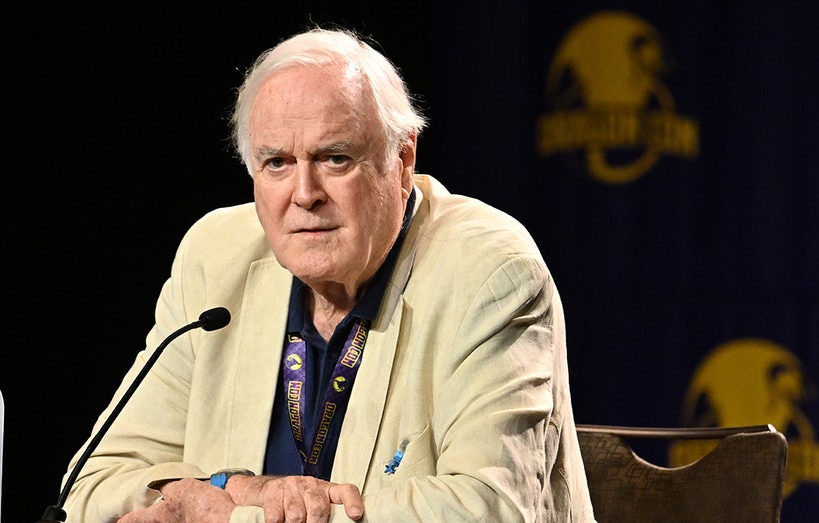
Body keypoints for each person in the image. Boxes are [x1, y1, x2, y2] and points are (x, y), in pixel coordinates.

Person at [62, 27, 595, 522]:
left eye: (334, 158)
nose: (304, 194)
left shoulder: (488, 274)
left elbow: (490, 507)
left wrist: (230, 516)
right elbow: (92, 485)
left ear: (403, 158)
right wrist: (237, 487)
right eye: (276, 163)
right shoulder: (215, 257)